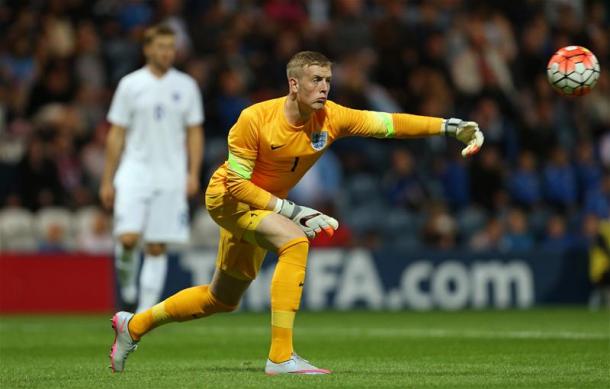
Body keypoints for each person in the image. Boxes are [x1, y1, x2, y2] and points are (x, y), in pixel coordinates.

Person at [108, 51, 483, 375]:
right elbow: (236, 185)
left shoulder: (331, 118)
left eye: (328, 80)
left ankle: (133, 325)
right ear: (293, 83)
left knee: (220, 299)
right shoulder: (254, 119)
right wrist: (294, 211)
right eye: (316, 80)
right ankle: (281, 356)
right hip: (228, 200)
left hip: (264, 205)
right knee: (295, 240)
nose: (324, 87)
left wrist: (449, 127)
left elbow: (389, 124)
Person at [100, 25, 204, 313]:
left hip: (170, 176)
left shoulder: (186, 86)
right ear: (147, 49)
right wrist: (107, 179)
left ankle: (143, 315)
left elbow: (195, 132)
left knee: (157, 246)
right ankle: (129, 287)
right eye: (161, 46)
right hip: (134, 172)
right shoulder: (130, 85)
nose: (166, 52)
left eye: (171, 47)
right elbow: (116, 134)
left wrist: (193, 172)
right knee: (128, 238)